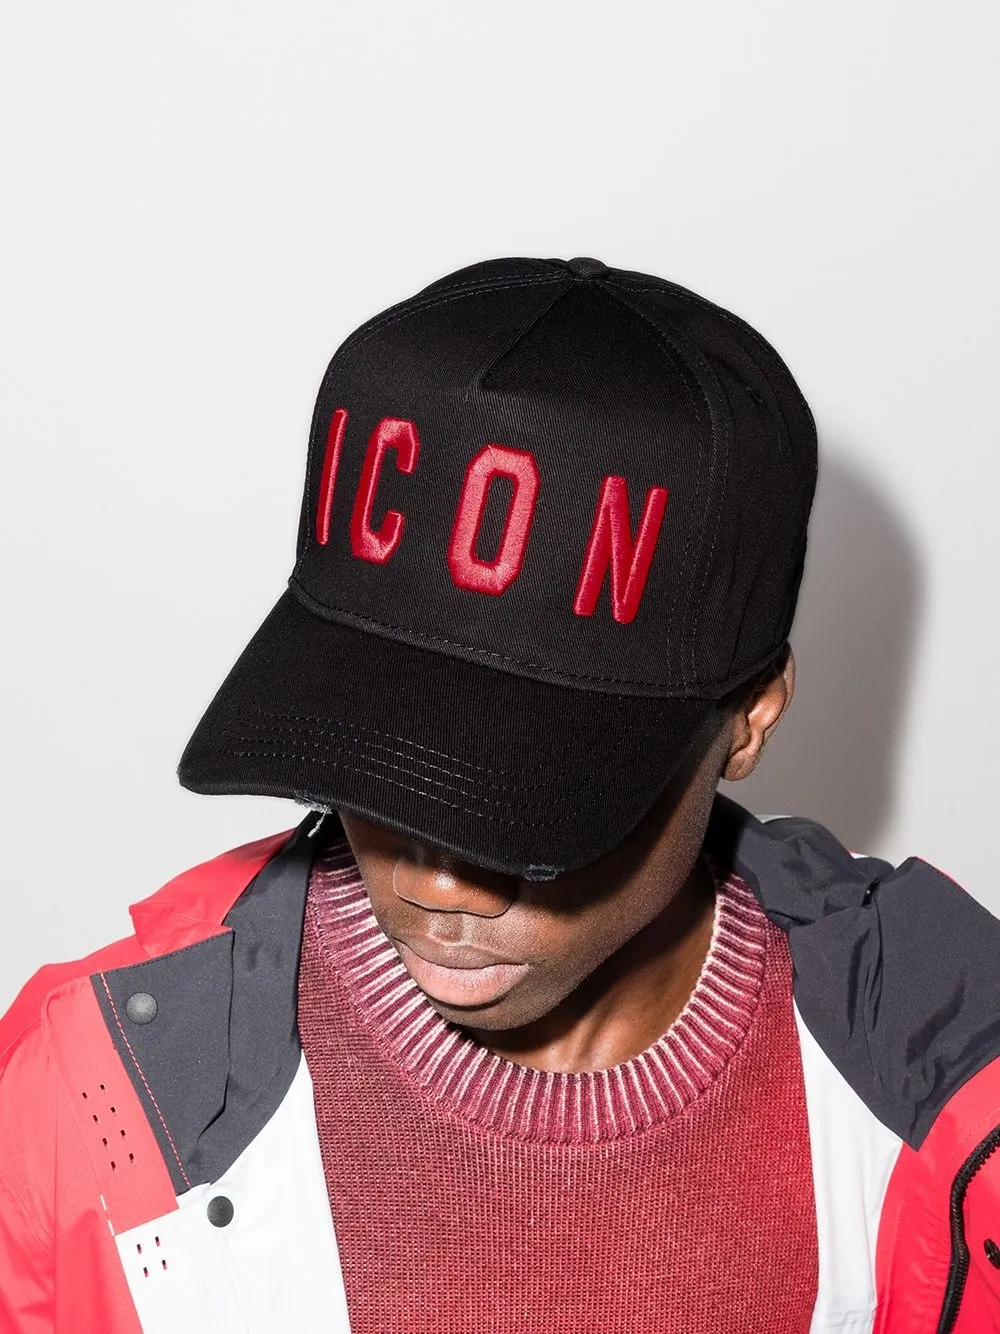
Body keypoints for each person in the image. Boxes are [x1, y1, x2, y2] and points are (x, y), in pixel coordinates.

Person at [2, 257, 999, 1334]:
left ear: (751, 717)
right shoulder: (92, 1101)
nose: (435, 882)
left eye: (527, 804)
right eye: (380, 760)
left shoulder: (948, 1084)